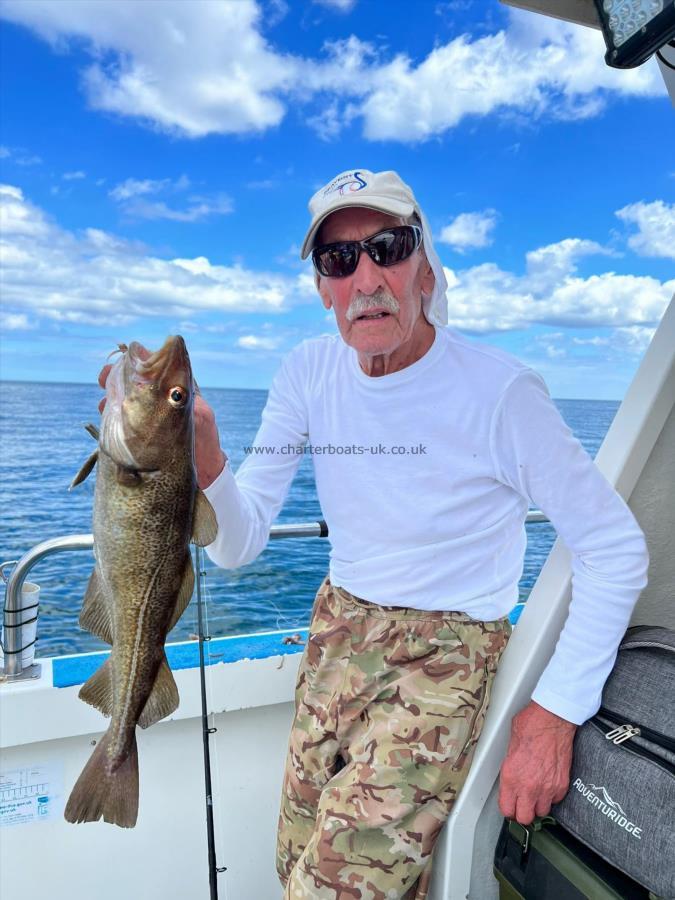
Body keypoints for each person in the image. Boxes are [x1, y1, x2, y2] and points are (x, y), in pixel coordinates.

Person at [169, 170, 650, 898]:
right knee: (295, 865)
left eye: (386, 247)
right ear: (322, 287)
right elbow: (239, 543)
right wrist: (207, 470)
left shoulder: (501, 392)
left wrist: (553, 713)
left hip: (443, 656)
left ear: (424, 268)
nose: (365, 277)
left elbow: (613, 547)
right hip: (335, 633)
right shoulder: (306, 371)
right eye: (338, 260)